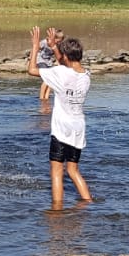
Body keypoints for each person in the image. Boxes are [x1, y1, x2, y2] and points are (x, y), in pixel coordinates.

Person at [27, 26, 92, 208]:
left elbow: (32, 70)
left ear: (66, 57)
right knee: (73, 169)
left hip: (62, 129)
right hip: (78, 128)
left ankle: (57, 210)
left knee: (56, 170)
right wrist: (55, 47)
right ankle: (88, 203)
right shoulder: (86, 75)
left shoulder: (60, 73)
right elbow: (66, 65)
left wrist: (35, 47)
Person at [36, 27, 62, 113]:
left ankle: (46, 97)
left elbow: (57, 54)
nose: (59, 42)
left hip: (49, 62)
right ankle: (41, 98)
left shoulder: (57, 45)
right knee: (46, 79)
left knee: (52, 79)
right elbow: (36, 48)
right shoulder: (44, 42)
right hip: (40, 61)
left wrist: (58, 64)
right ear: (53, 38)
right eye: (58, 40)